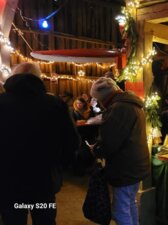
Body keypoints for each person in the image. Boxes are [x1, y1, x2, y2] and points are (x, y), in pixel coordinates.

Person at [0, 62, 80, 225]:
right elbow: (71, 141)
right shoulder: (55, 104)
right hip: (43, 179)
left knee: (12, 220)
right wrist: (60, 166)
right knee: (45, 220)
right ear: (38, 78)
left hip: (7, 179)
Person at [90, 77, 150, 225]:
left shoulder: (119, 108)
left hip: (125, 166)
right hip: (135, 164)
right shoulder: (130, 104)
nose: (100, 104)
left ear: (105, 97)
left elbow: (110, 141)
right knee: (130, 204)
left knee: (120, 210)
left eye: (99, 100)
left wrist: (95, 149)